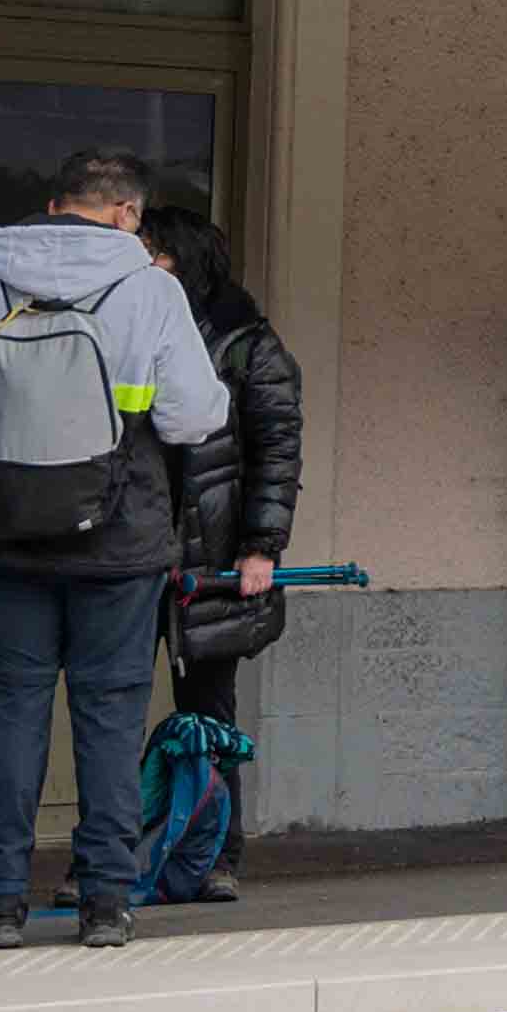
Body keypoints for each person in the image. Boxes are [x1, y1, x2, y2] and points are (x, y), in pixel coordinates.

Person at [0, 145, 231, 947]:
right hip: (120, 542)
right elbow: (195, 417)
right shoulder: (150, 288)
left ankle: (0, 900)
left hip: (11, 534)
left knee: (14, 709)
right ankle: (103, 902)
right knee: (111, 715)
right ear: (127, 213)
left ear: (55, 205)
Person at [146, 204, 302, 902]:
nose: (142, 263)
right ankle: (120, 851)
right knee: (112, 711)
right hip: (137, 547)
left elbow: (276, 449)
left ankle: (216, 853)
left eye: (154, 252)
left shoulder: (249, 343)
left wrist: (260, 546)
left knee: (210, 709)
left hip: (210, 553)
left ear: (183, 261)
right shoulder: (132, 324)